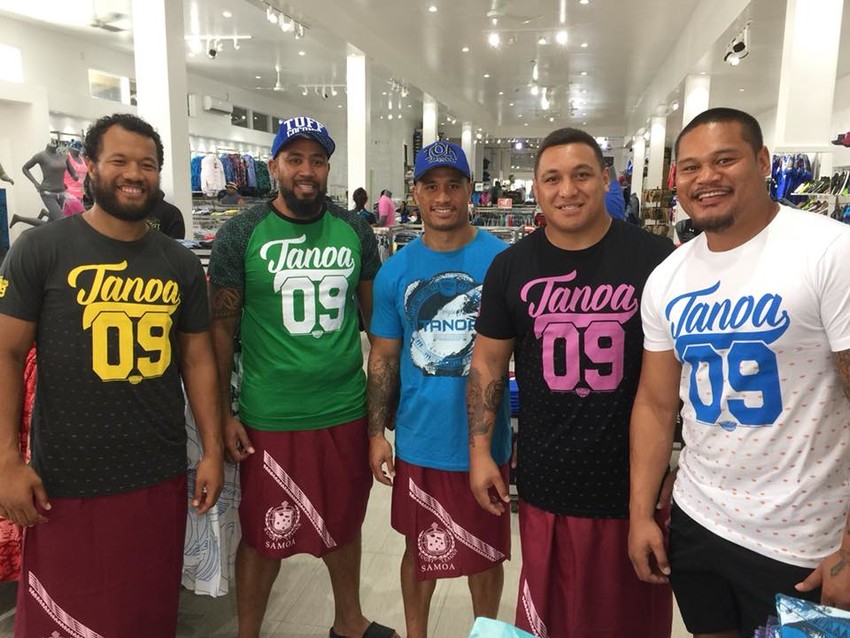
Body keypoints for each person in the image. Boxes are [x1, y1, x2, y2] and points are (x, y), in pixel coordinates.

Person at [0, 112, 224, 637]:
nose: (134, 173)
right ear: (92, 169)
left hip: (156, 474)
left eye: (147, 164)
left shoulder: (180, 264)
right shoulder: (40, 249)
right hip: (64, 479)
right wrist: (7, 460)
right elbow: (6, 355)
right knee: (65, 620)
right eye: (119, 160)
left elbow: (198, 361)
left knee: (143, 615)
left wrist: (211, 450)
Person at [629, 107, 850, 637]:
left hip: (805, 541)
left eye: (724, 159)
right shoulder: (668, 277)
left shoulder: (828, 251)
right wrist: (641, 514)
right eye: (690, 167)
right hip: (699, 523)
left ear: (762, 161)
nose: (706, 177)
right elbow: (657, 405)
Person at [467, 127, 674, 637]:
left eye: (582, 175)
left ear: (606, 179)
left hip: (633, 487)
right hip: (546, 483)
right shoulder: (510, 267)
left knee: (629, 623)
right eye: (552, 178)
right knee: (551, 622)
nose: (568, 190)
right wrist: (479, 453)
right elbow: (488, 365)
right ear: (535, 189)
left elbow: (672, 385)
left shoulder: (657, 259)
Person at [207, 116, 397, 638]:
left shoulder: (354, 229)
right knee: (264, 533)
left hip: (345, 408)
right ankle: (249, 632)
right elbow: (220, 335)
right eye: (294, 159)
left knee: (345, 521)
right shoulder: (239, 233)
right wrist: (224, 414)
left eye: (317, 159)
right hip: (271, 413)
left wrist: (380, 419)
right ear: (273, 166)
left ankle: (349, 620)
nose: (306, 170)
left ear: (328, 168)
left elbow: (378, 326)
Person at [367, 141, 512, 638]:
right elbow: (383, 358)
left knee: (485, 554)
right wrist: (374, 435)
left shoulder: (504, 262)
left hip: (485, 442)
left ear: (471, 190)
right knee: (417, 547)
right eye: (432, 186)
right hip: (420, 438)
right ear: (416, 193)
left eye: (454, 185)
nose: (443, 196)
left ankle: (486, 631)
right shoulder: (395, 271)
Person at [21, 140, 77, 221]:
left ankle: (19, 219)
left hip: (61, 193)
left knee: (52, 222)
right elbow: (25, 168)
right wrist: (35, 183)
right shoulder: (41, 156)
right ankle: (22, 221)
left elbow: (72, 170)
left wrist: (75, 175)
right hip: (47, 193)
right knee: (61, 220)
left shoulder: (64, 156)